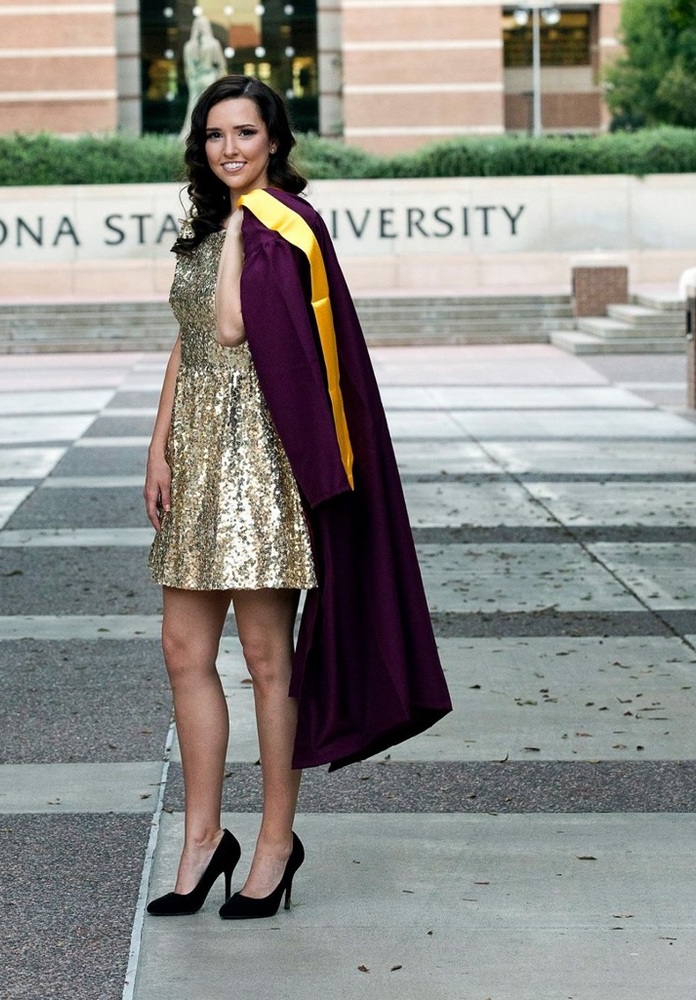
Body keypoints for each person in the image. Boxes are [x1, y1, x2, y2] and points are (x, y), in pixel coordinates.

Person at [144, 76, 452, 921]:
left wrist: (247, 220)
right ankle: (204, 839)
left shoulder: (284, 226)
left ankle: (276, 842)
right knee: (182, 648)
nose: (229, 148)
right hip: (198, 456)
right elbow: (189, 338)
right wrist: (158, 444)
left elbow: (238, 327)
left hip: (262, 458)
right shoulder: (209, 228)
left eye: (245, 132)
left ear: (274, 140)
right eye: (214, 136)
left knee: (267, 658)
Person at [179, 15, 227, 139]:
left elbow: (188, 69)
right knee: (211, 108)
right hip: (209, 78)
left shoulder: (188, 47)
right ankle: (211, 134)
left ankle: (188, 136)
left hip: (195, 80)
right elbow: (221, 64)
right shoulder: (213, 44)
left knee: (193, 108)